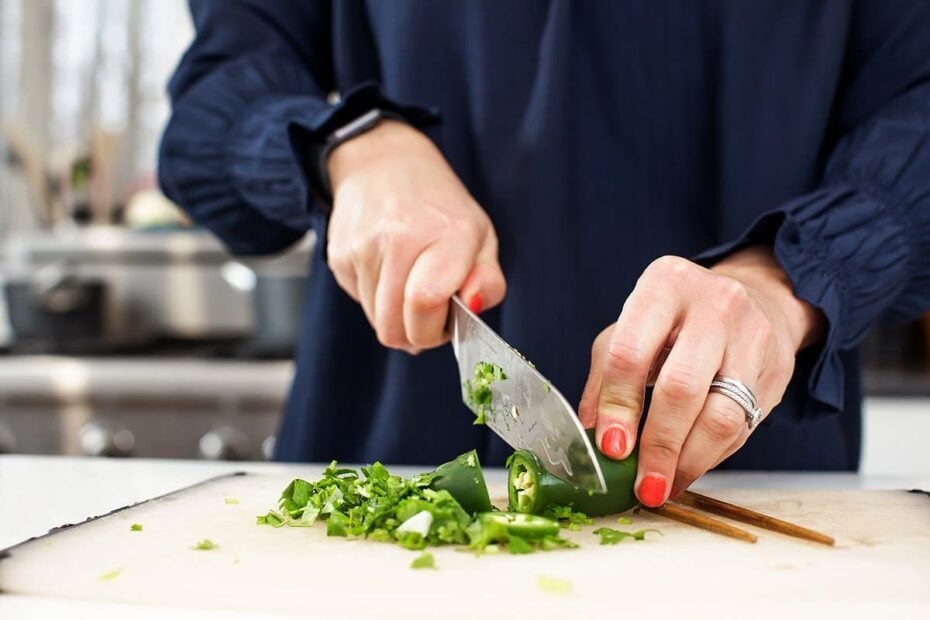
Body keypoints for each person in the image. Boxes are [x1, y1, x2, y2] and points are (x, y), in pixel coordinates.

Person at [159, 1, 930, 507]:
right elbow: (217, 96)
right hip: (379, 480)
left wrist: (795, 271)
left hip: (751, 490)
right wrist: (350, 148)